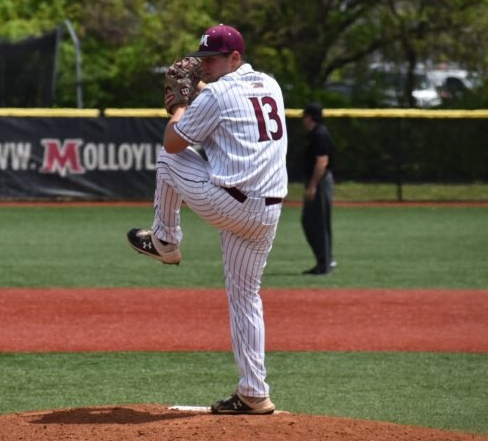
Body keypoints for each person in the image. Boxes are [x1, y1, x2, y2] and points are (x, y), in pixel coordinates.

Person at [126, 24, 288, 415]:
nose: (206, 65)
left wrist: (179, 107)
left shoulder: (217, 93)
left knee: (167, 159)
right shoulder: (271, 85)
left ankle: (165, 240)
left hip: (230, 203)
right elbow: (228, 105)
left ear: (235, 57)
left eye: (213, 58)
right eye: (204, 58)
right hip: (268, 211)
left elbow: (174, 142)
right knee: (245, 298)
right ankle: (254, 393)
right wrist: (198, 90)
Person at [300, 102, 336, 276]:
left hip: (320, 183)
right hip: (316, 182)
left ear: (310, 117)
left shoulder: (320, 134)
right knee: (309, 222)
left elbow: (322, 162)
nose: (304, 120)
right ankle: (324, 260)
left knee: (319, 224)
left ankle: (325, 263)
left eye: (305, 116)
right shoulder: (315, 133)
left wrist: (313, 186)